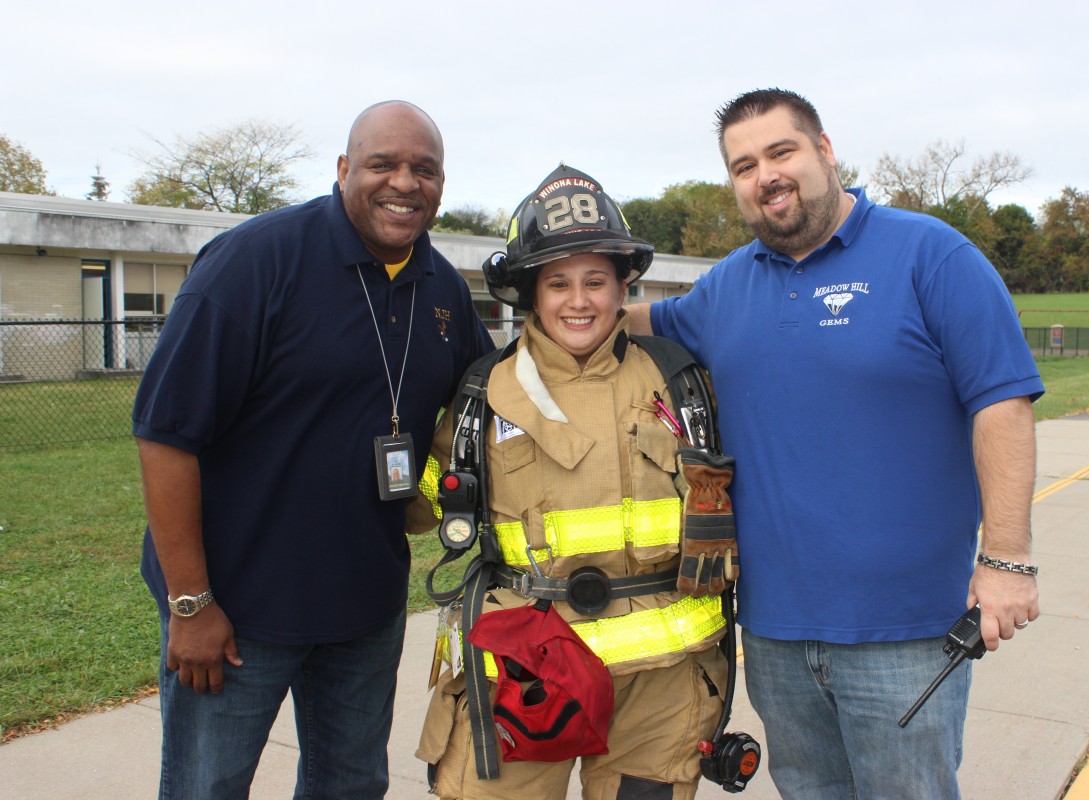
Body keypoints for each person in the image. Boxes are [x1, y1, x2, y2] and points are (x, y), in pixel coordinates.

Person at [625, 88, 1044, 799]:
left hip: (905, 634)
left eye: (781, 151)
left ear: (825, 152)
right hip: (774, 633)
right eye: (744, 165)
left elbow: (1001, 404)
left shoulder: (931, 255)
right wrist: (558, 290)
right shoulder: (727, 286)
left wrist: (1008, 560)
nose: (766, 176)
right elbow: (624, 324)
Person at [132, 100, 495, 798]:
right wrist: (190, 605)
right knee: (207, 787)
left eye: (425, 169)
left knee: (351, 787)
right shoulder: (254, 262)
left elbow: (497, 392)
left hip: (363, 607)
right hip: (238, 611)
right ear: (342, 169)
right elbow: (165, 437)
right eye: (383, 164)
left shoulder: (441, 286)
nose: (404, 183)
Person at [408, 164, 733, 800]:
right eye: (558, 283)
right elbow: (423, 500)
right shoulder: (484, 392)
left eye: (595, 281)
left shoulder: (679, 380)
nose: (578, 301)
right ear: (530, 293)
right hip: (526, 667)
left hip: (662, 678)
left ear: (622, 288)